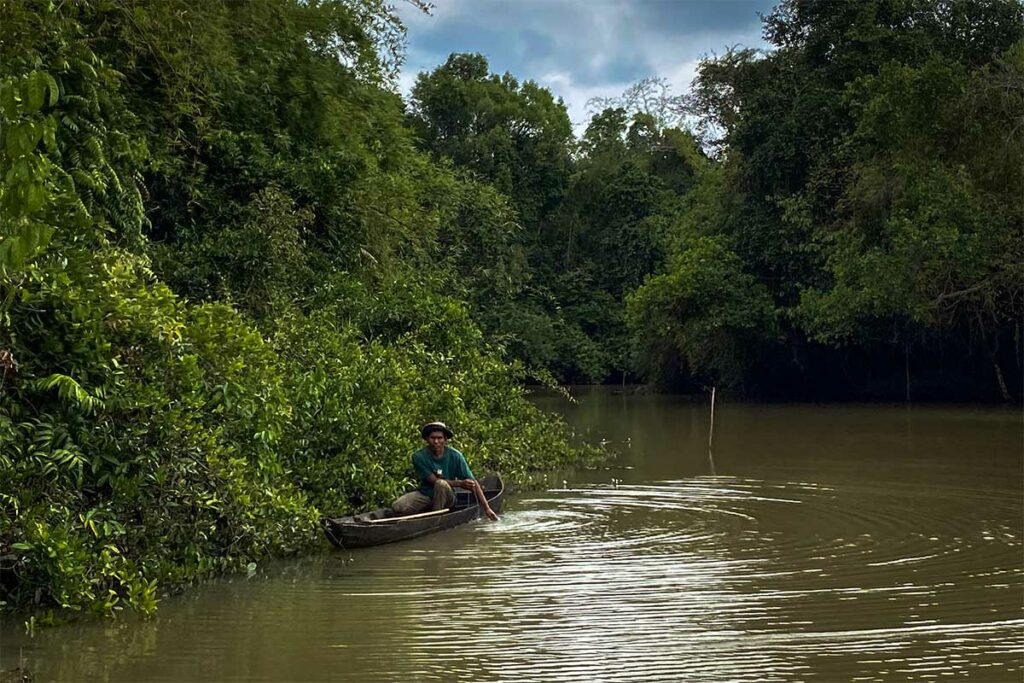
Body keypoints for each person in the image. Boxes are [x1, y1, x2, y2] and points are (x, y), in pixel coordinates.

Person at [391, 422, 499, 521]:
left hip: (448, 497)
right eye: (432, 438)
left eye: (439, 438)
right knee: (398, 506)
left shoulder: (455, 456)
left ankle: (434, 518)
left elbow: (473, 483)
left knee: (442, 485)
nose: (436, 442)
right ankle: (424, 512)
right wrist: (460, 484)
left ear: (445, 439)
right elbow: (433, 480)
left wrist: (487, 508)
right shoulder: (418, 456)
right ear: (427, 439)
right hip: (426, 494)